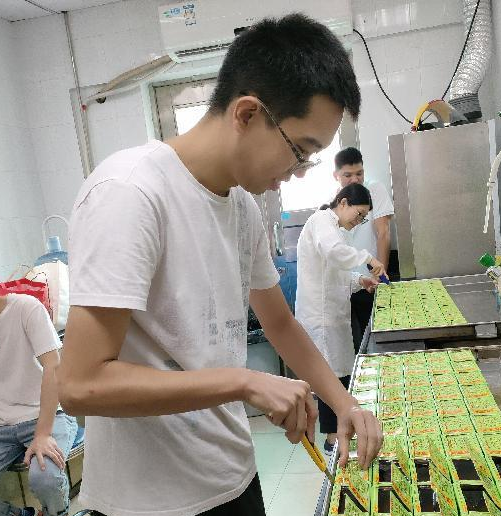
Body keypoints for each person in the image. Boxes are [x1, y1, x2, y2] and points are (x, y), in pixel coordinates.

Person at [57, 14, 382, 517]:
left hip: (234, 477)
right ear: (247, 114)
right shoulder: (130, 192)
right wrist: (245, 381)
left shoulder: (241, 206)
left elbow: (279, 324)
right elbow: (81, 385)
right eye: (300, 151)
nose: (297, 173)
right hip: (150, 504)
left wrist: (345, 403)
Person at [295, 184, 386, 454]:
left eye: (363, 218)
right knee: (328, 376)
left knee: (340, 373)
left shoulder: (336, 230)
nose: (358, 221)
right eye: (359, 215)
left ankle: (343, 428)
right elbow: (334, 253)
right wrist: (369, 258)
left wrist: (360, 280)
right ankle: (331, 438)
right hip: (320, 317)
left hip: (333, 316)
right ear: (343, 202)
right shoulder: (321, 221)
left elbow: (336, 274)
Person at [0, 293, 79, 517]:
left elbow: (53, 365)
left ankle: (57, 513)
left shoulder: (25, 308)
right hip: (3, 424)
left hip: (47, 414)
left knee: (45, 478)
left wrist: (43, 434)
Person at [333, 148, 395, 351]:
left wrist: (381, 274)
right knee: (359, 340)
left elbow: (383, 233)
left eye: (359, 173)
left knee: (380, 337)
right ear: (336, 176)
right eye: (348, 175)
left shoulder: (374, 189)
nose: (355, 180)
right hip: (349, 282)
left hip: (372, 279)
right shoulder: (334, 202)